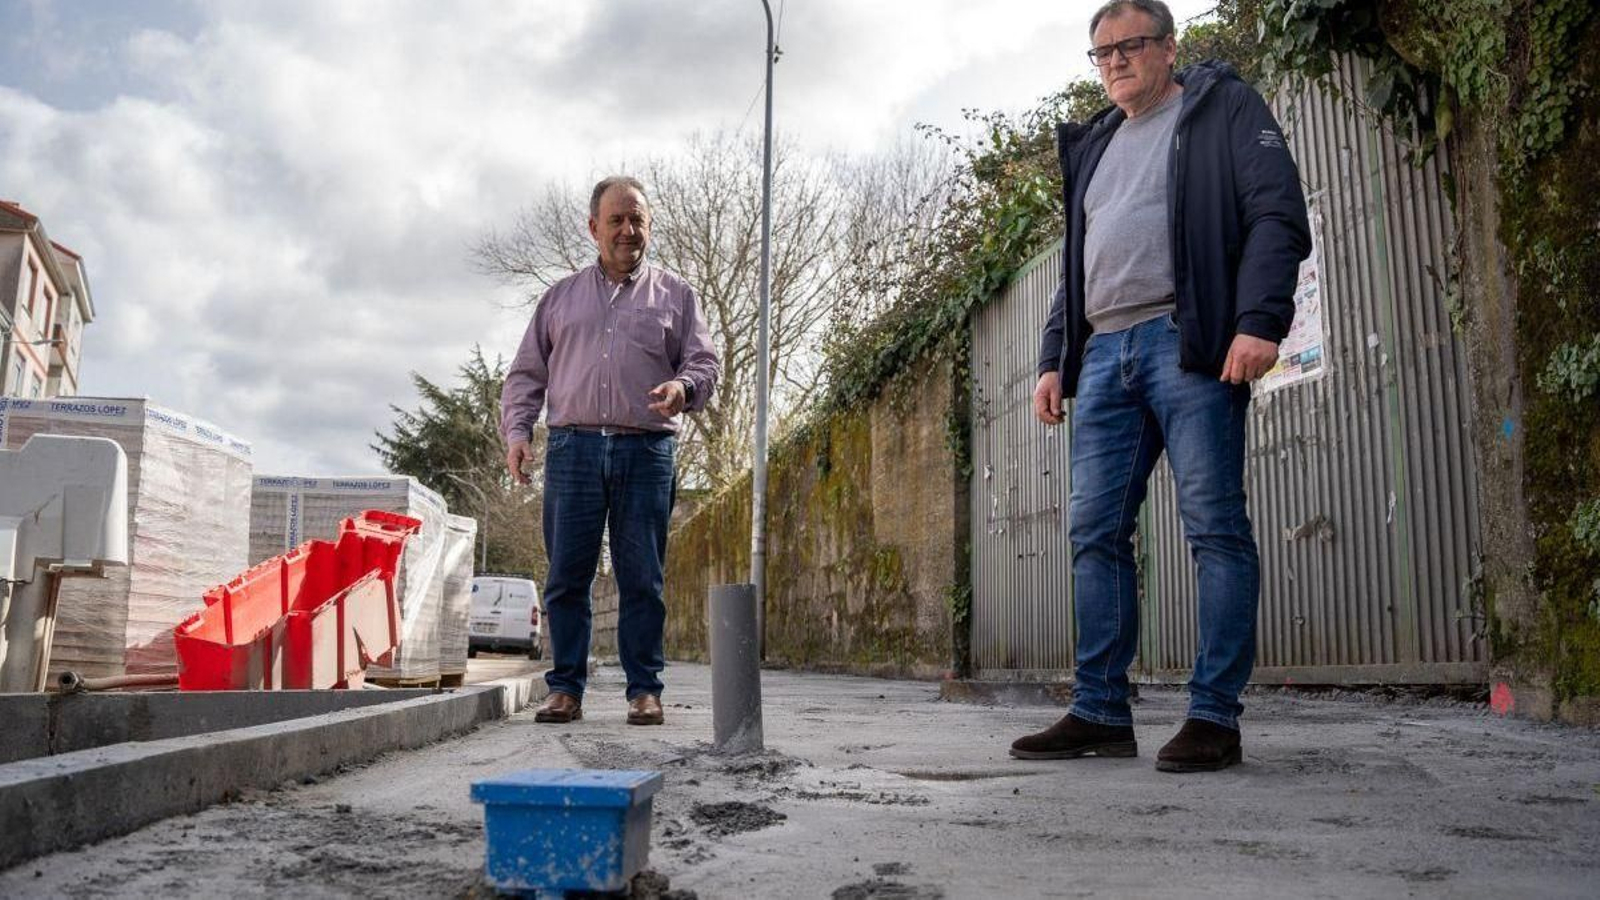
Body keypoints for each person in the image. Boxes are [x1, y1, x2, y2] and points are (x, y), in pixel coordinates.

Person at [1011, 0, 1310, 772]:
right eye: (1101, 52)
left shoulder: (1223, 108)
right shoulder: (1097, 143)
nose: (1114, 61)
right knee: (1093, 533)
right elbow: (1077, 264)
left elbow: (1277, 213)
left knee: (1214, 526)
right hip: (1106, 355)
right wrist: (1055, 357)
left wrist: (1259, 319)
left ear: (1169, 48)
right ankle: (1102, 711)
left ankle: (1214, 716)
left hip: (1191, 343)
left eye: (1130, 45)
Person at [500, 175, 719, 727]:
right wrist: (518, 433)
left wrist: (683, 389)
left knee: (642, 576)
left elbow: (704, 364)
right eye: (616, 220)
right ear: (593, 227)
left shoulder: (677, 296)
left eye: (637, 220)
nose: (627, 230)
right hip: (572, 449)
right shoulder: (559, 299)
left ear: (649, 226)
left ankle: (644, 690)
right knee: (567, 575)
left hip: (646, 451)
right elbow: (526, 374)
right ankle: (565, 689)